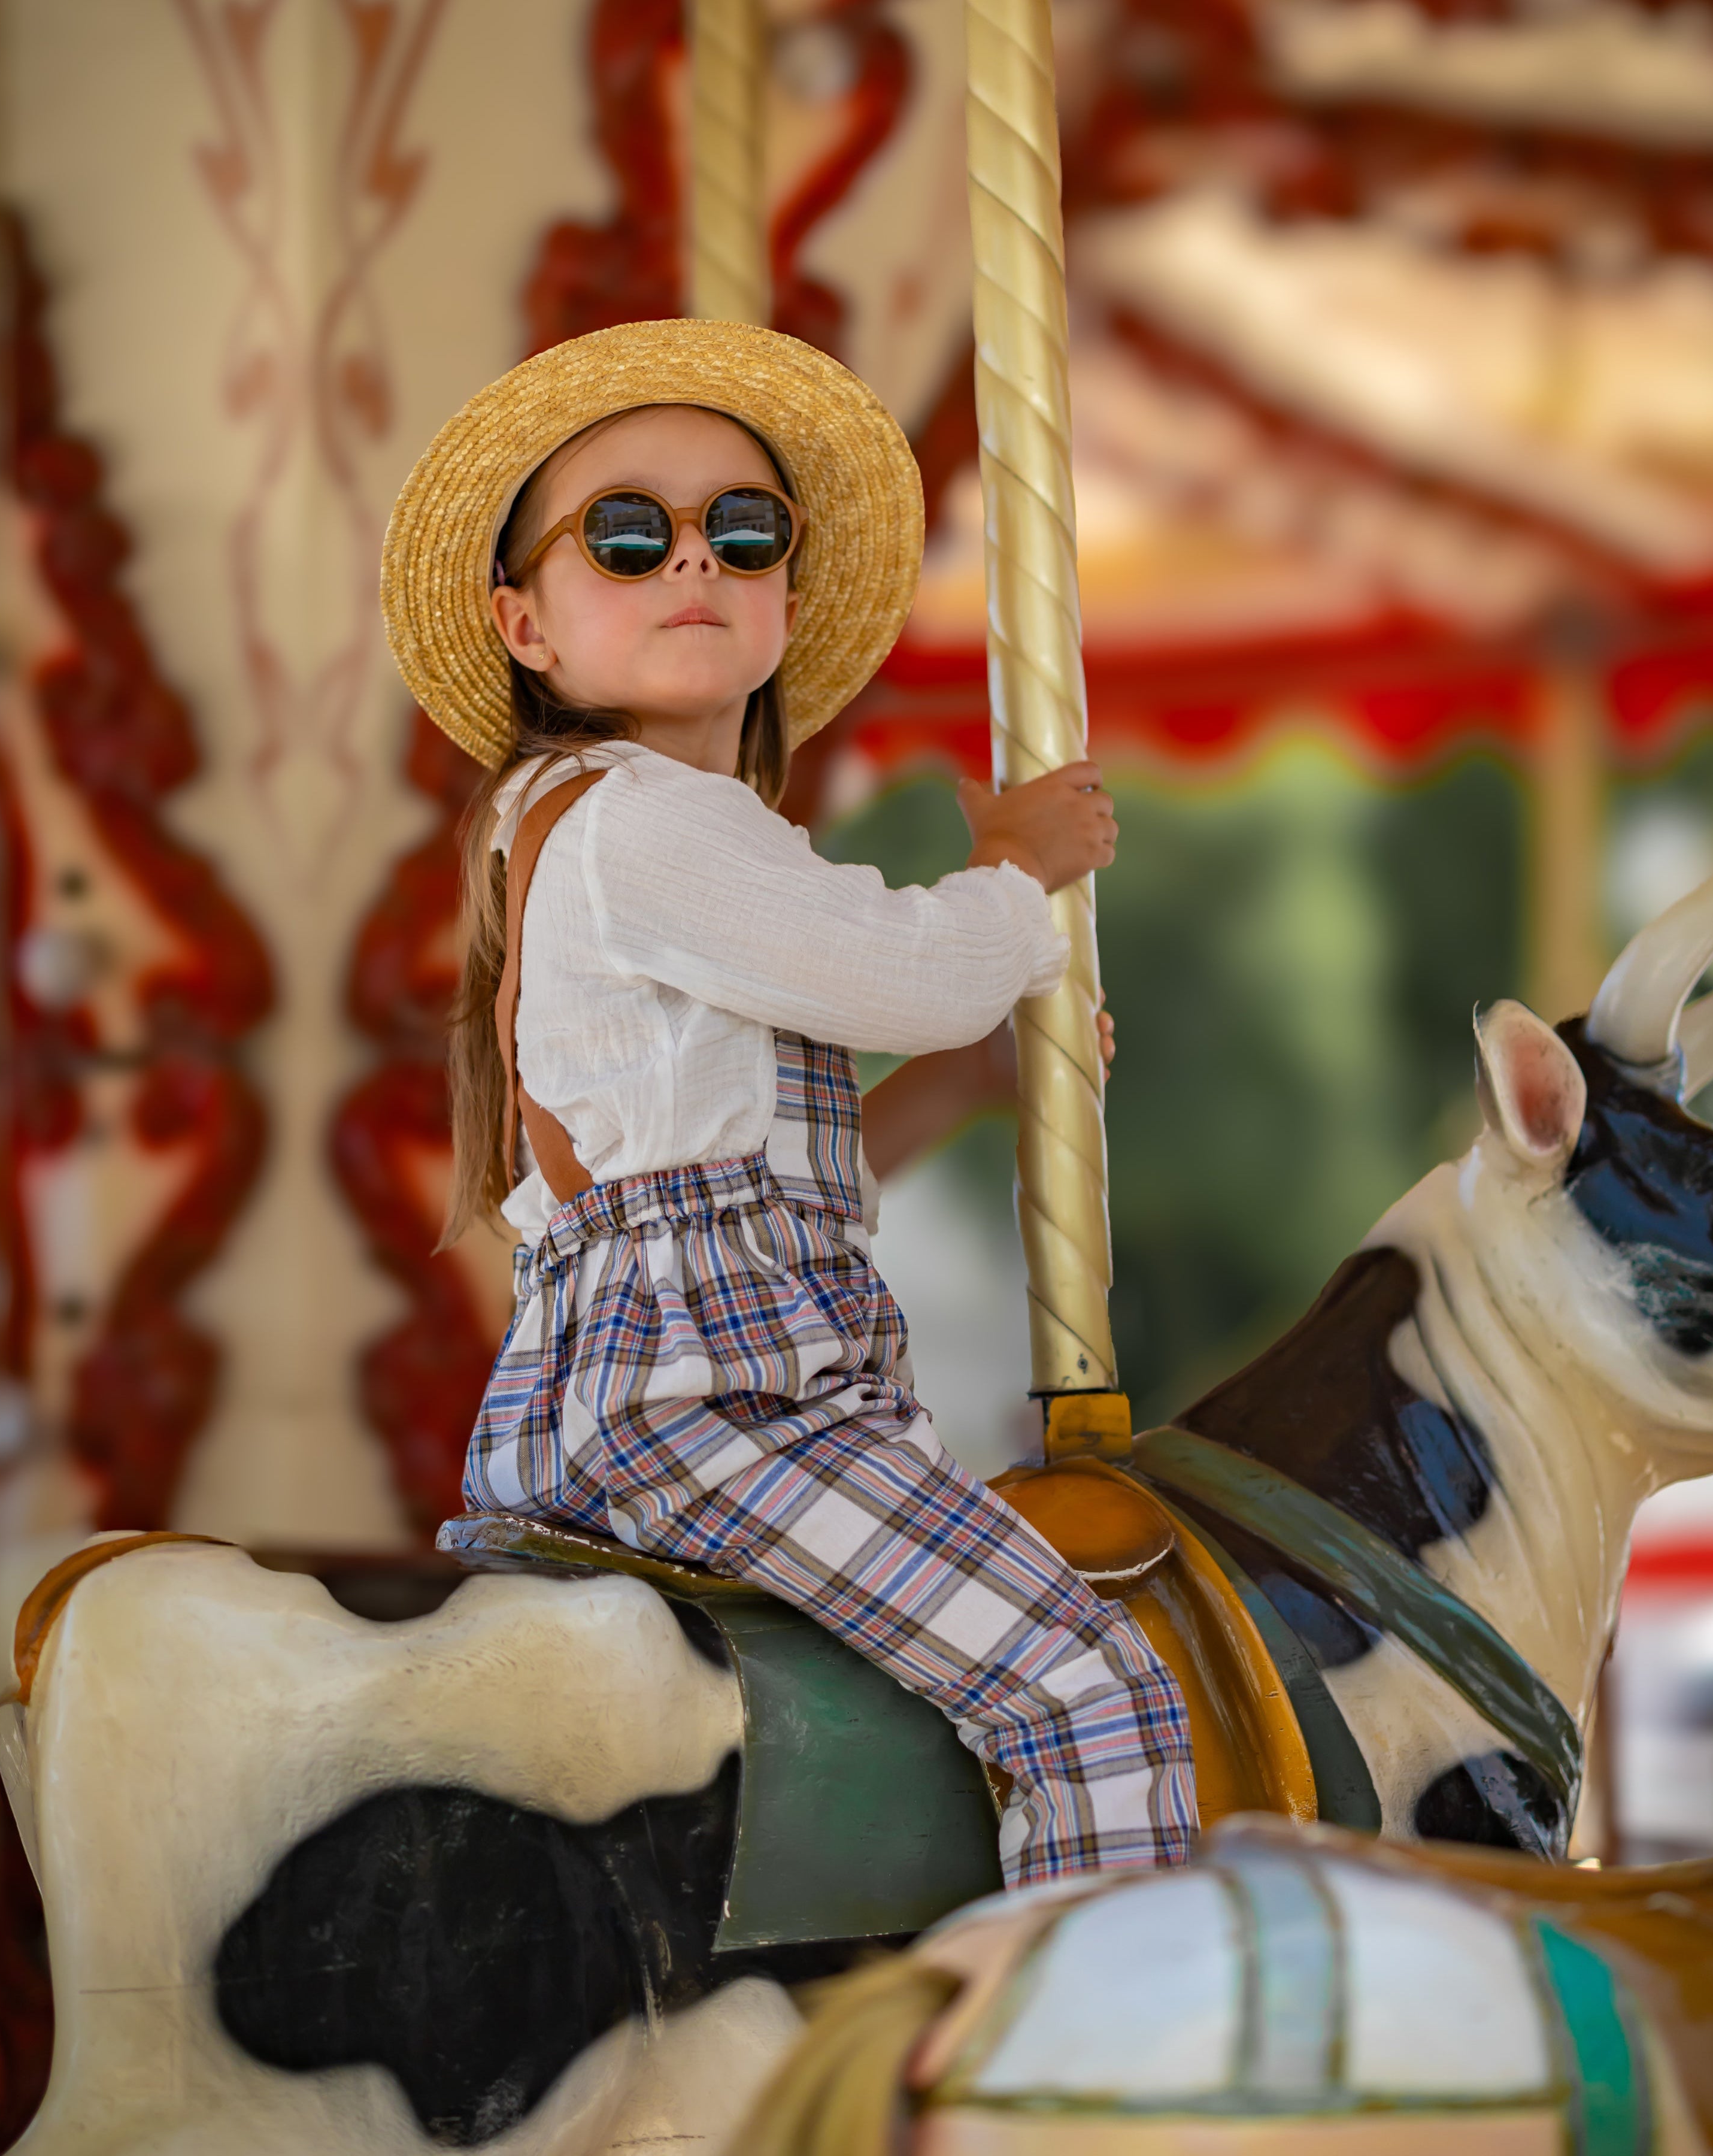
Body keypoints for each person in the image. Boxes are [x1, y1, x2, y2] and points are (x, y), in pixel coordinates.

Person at [380, 319, 1195, 1886]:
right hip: (723, 1399)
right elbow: (911, 972)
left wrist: (963, 1085)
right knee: (1093, 1697)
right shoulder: (641, 820)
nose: (691, 559)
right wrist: (1018, 872)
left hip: (660, 1383)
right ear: (524, 624)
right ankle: (1110, 2085)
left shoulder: (597, 831)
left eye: (739, 533)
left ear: (784, 598)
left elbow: (714, 1159)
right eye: (628, 537)